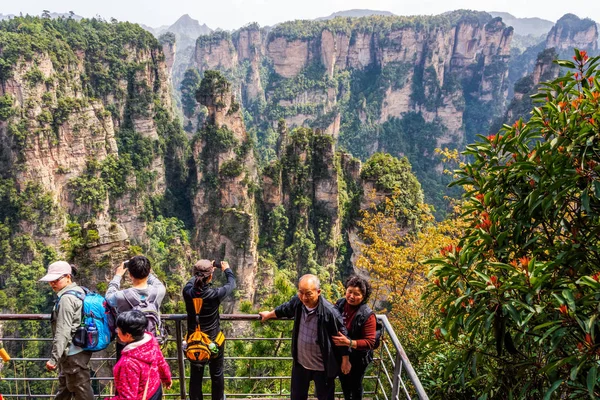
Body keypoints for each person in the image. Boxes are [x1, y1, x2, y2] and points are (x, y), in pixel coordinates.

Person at [259, 274, 351, 400]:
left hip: (322, 366)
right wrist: (269, 315)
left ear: (318, 292)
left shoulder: (329, 312)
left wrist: (345, 360)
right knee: (297, 396)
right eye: (301, 292)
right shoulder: (298, 303)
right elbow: (285, 309)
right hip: (301, 363)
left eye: (308, 293)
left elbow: (342, 335)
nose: (304, 297)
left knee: (325, 397)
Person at [39, 261, 94, 400]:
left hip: (73, 353)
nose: (52, 283)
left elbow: (62, 331)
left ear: (68, 277)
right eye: (50, 280)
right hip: (80, 349)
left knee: (82, 390)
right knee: (65, 389)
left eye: (56, 279)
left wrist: (53, 359)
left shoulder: (66, 299)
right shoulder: (80, 291)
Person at [183, 260, 236, 400]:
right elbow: (231, 284)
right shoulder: (214, 294)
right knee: (217, 374)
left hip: (193, 343)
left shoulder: (187, 292)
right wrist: (227, 269)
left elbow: (191, 282)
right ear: (210, 277)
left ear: (195, 275)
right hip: (213, 343)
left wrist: (202, 270)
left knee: (195, 376)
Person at [105, 255, 166, 359]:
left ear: (130, 275)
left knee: (126, 373)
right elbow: (156, 281)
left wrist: (118, 276)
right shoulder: (159, 291)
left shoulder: (121, 296)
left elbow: (108, 296)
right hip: (151, 343)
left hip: (126, 345)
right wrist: (144, 267)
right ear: (149, 271)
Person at [331, 275, 377, 400]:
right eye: (349, 292)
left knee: (355, 385)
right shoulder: (340, 304)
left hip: (358, 358)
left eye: (356, 294)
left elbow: (370, 342)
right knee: (344, 383)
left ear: (363, 296)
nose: (351, 296)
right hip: (341, 354)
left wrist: (348, 342)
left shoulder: (367, 315)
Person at [111, 310, 172, 400]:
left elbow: (128, 397)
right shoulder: (151, 341)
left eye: (118, 329)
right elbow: (161, 362)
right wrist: (167, 379)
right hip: (155, 389)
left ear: (128, 335)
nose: (117, 331)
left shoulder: (128, 363)